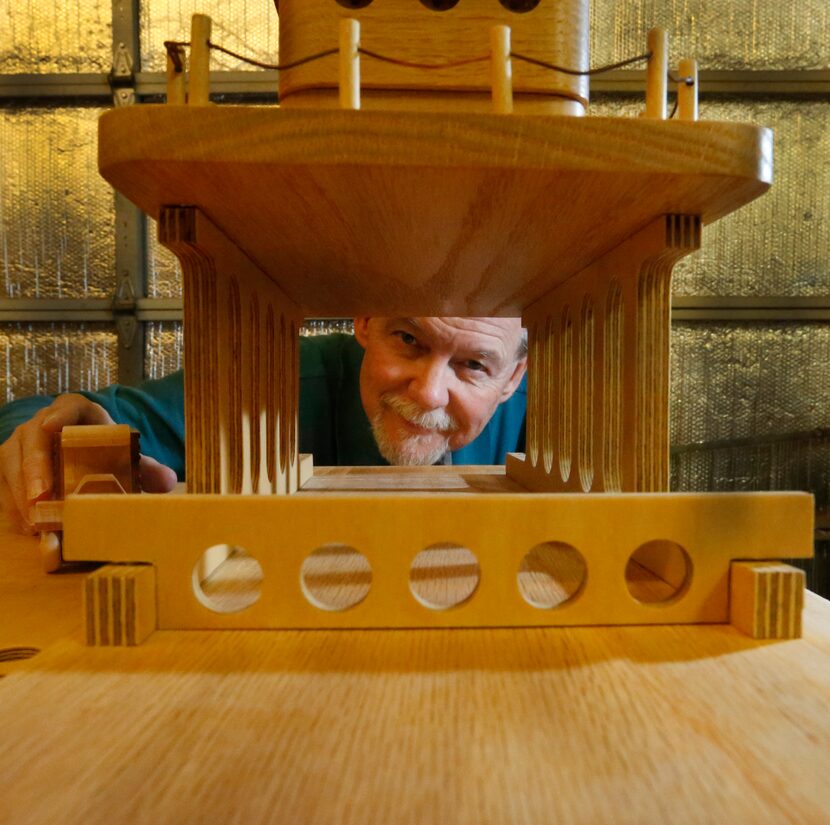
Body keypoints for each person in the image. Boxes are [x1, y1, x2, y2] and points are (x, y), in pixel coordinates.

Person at [0, 316, 527, 534]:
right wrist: (55, 435)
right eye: (409, 340)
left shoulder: (553, 417)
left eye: (474, 365)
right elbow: (45, 413)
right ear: (365, 320)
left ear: (511, 378)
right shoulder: (272, 385)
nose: (430, 392)